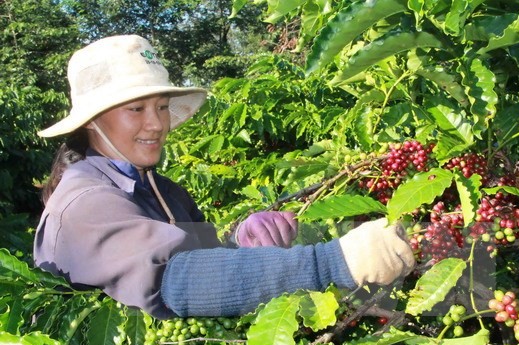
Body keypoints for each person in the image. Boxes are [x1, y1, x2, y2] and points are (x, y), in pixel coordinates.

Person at [34, 35, 416, 319]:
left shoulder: (165, 190)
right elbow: (178, 280)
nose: (156, 124)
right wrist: (331, 263)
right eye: (136, 108)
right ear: (92, 123)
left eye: (163, 107)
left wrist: (238, 243)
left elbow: (206, 267)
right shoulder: (84, 203)